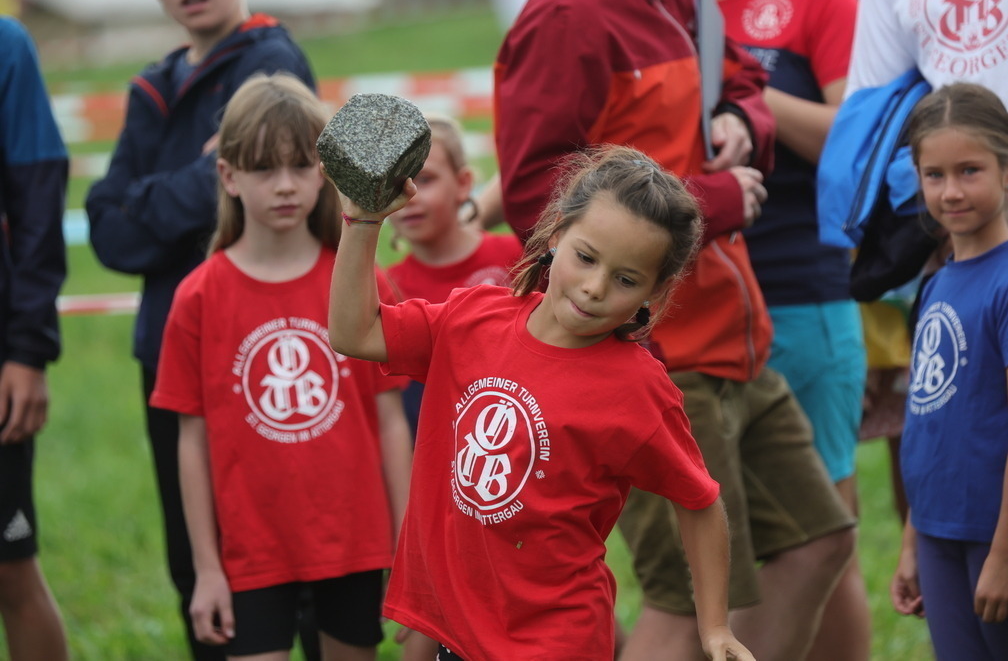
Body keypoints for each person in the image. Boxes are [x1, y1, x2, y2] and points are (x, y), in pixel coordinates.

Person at [494, 0, 855, 660]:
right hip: (655, 356)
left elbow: (741, 77)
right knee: (686, 601)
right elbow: (535, 196)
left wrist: (743, 117)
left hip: (734, 340)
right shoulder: (571, 11)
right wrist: (712, 201)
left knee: (819, 543)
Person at [327, 145, 754, 661]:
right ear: (556, 234)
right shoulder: (471, 319)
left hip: (555, 642)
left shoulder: (640, 389)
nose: (594, 288)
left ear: (655, 292)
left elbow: (699, 502)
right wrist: (363, 221)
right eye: (586, 257)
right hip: (460, 636)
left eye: (625, 280)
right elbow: (354, 332)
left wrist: (715, 628)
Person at [84, 0, 315, 657]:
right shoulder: (151, 86)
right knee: (194, 559)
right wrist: (196, 180)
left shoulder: (271, 64)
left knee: (287, 557)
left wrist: (142, 201)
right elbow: (108, 232)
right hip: (169, 349)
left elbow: (248, 201)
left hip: (261, 348)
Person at [149, 73, 412, 660]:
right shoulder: (197, 297)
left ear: (326, 172)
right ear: (229, 176)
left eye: (301, 166)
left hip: (355, 544)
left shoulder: (361, 283)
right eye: (265, 168)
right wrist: (206, 569)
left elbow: (392, 422)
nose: (286, 185)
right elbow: (190, 442)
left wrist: (407, 546)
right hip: (251, 553)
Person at [710, 0, 870, 659]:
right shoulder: (665, 1)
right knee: (727, 553)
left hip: (803, 297)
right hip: (701, 315)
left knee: (822, 538)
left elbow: (857, 134)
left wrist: (740, 89)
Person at [890, 82, 1008, 659]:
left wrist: (1007, 553)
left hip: (999, 535)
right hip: (938, 533)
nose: (951, 191)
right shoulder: (937, 283)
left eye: (970, 171)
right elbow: (930, 418)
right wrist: (911, 542)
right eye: (934, 174)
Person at [0, 16, 69, 661]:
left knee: (10, 569)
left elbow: (38, 202)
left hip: (3, 353)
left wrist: (27, 349)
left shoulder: (5, 45)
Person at [386, 113, 522, 437]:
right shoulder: (388, 288)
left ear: (463, 183)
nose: (409, 197)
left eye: (425, 179)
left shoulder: (519, 258)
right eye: (394, 184)